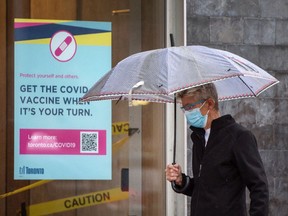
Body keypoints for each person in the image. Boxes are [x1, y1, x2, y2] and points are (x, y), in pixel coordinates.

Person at [165, 83, 269, 216]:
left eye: (190, 107)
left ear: (209, 103)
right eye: (184, 108)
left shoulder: (239, 137)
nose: (187, 113)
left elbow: (259, 187)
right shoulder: (199, 138)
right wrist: (181, 180)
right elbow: (204, 188)